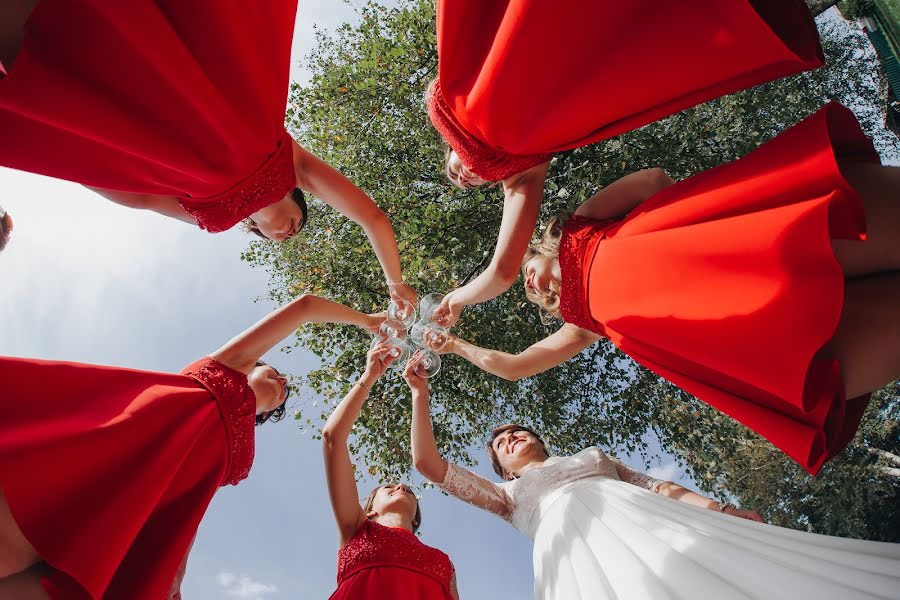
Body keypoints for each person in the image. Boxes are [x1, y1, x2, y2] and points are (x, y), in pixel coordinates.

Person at [424, 102, 900, 474]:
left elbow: (652, 183)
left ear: (540, 252)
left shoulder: (579, 226)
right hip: (717, 325)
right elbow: (516, 366)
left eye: (528, 267)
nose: (527, 279)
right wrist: (458, 347)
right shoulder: (581, 323)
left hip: (725, 245)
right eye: (530, 291)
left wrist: (688, 235)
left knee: (861, 222)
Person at [427, 0, 824, 326]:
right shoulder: (522, 176)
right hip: (576, 75)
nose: (463, 176)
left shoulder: (454, 90)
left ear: (447, 148)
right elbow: (502, 271)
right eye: (471, 185)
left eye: (453, 168)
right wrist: (457, 299)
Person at [0, 0, 415, 305]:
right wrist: (396, 284)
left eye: (286, 236)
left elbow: (144, 198)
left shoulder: (212, 218)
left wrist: (80, 162)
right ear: (294, 196)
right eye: (298, 221)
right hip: (183, 67)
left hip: (132, 122)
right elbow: (370, 216)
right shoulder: (293, 166)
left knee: (40, 57)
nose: (291, 231)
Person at [0, 294, 384, 599]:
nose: (282, 382)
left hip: (144, 509)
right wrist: (368, 321)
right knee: (20, 536)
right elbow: (305, 306)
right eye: (275, 372)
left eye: (283, 391)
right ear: (252, 367)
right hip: (115, 455)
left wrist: (176, 568)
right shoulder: (227, 367)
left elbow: (194, 500)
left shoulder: (239, 450)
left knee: (55, 586)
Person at [411, 402, 900, 599]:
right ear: (503, 468)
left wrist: (722, 510)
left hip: (649, 520)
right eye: (502, 444)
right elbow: (430, 467)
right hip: (575, 557)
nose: (513, 437)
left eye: (519, 430)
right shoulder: (506, 496)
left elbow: (661, 487)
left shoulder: (593, 455)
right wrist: (419, 390)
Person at [323, 345, 458, 599]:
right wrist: (370, 374)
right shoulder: (357, 530)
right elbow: (333, 437)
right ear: (369, 510)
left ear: (416, 517)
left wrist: (421, 392)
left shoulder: (443, 562)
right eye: (389, 487)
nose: (400, 486)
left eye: (402, 488)